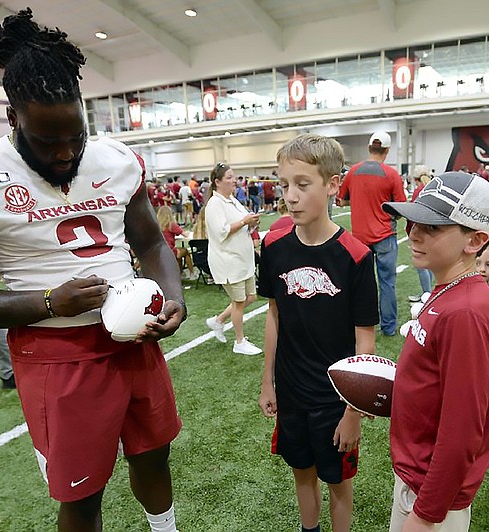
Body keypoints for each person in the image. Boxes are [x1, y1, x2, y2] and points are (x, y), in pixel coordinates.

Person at [0, 10, 186, 532]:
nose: (65, 153)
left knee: (154, 454)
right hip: (56, 355)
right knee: (82, 493)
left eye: (75, 137)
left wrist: (173, 296)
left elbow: (151, 241)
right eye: (48, 143)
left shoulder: (115, 159)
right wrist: (48, 303)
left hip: (136, 341)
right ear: (14, 120)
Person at [258, 133, 378, 532]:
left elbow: (365, 341)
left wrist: (354, 412)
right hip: (291, 391)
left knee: (339, 483)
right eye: (284, 184)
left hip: (335, 398)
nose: (290, 196)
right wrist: (267, 383)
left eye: (302, 184)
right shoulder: (274, 249)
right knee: (301, 472)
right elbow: (274, 316)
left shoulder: (356, 256)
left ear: (332, 184)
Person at [381, 171, 489, 532]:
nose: (413, 233)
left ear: (475, 241)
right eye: (413, 220)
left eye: (433, 227)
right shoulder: (448, 288)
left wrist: (425, 515)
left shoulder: (464, 312)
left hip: (430, 492)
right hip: (419, 473)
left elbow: (462, 431)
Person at [339, 131, 407, 336]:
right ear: (386, 150)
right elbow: (401, 208)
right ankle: (388, 327)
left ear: (369, 148)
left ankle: (360, 323)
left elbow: (343, 201)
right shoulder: (391, 174)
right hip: (385, 235)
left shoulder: (353, 172)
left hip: (359, 238)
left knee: (358, 284)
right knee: (387, 283)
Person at [203, 162, 263, 355]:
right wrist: (244, 221)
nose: (233, 181)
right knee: (238, 302)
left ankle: (218, 321)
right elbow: (221, 232)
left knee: (251, 297)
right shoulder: (214, 204)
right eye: (229, 178)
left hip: (243, 259)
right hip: (228, 260)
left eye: (234, 177)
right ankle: (239, 341)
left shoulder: (233, 200)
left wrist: (252, 223)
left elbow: (242, 225)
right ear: (217, 182)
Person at [406, 165, 433, 302]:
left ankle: (427, 294)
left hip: (421, 232)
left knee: (421, 265)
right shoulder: (433, 188)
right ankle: (429, 293)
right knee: (430, 264)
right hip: (434, 231)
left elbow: (413, 214)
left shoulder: (418, 191)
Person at [157, 205, 195, 281]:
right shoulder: (171, 225)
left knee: (179, 253)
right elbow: (184, 233)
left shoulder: (157, 226)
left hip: (161, 251)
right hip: (171, 250)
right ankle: (191, 273)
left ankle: (180, 273)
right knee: (185, 251)